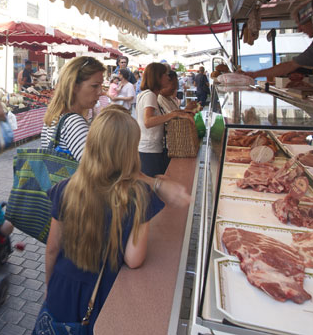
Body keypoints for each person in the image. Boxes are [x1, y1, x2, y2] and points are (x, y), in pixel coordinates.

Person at [34, 108, 165, 333]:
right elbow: (134, 259)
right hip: (102, 291)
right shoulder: (139, 195)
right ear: (129, 151)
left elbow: (52, 248)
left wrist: (49, 285)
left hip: (62, 286)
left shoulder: (65, 188)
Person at [41, 56, 106, 162]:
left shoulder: (53, 117)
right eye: (95, 86)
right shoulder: (73, 122)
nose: (100, 92)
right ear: (74, 86)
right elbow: (97, 169)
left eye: (101, 85)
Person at [136, 63, 194, 178]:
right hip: (149, 150)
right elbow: (148, 122)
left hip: (149, 149)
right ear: (157, 77)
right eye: (165, 74)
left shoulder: (146, 94)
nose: (168, 77)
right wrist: (172, 115)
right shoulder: (150, 95)